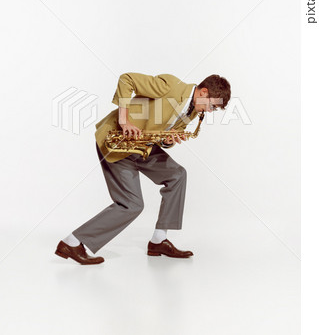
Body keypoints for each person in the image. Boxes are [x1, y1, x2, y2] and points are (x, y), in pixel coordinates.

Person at [55, 72, 231, 265]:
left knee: (178, 175)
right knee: (132, 204)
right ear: (204, 92)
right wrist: (124, 120)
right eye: (212, 106)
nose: (211, 111)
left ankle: (158, 240)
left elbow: (164, 136)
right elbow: (126, 79)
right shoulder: (171, 86)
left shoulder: (193, 111)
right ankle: (72, 242)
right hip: (117, 142)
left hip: (142, 148)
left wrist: (168, 140)